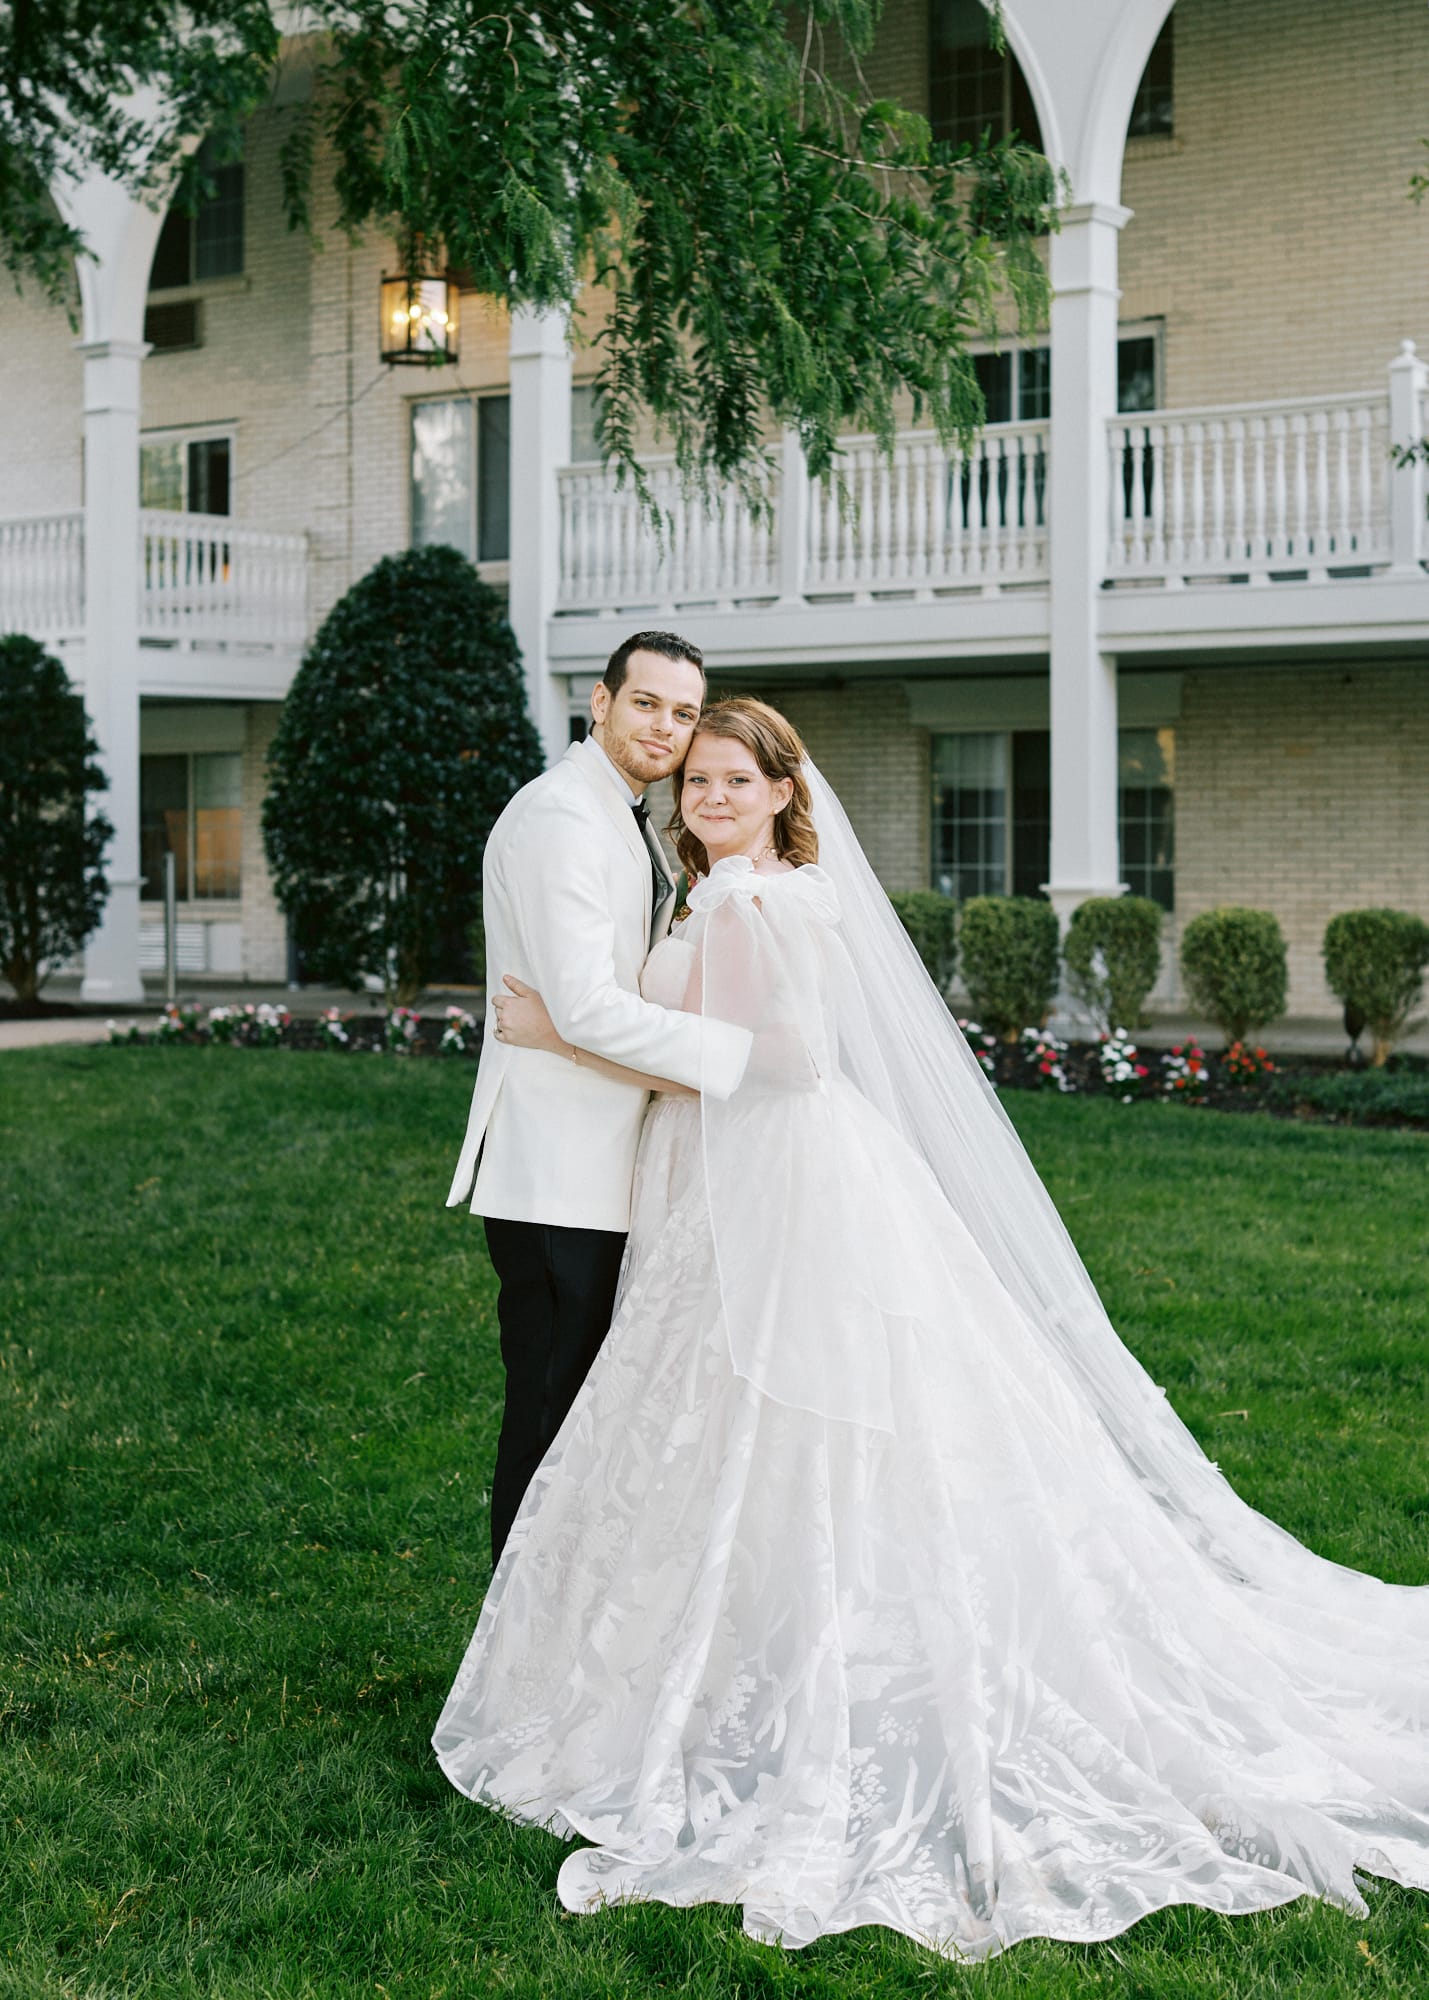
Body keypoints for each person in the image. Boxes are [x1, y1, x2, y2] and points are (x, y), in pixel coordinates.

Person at [434, 697, 1429, 1962]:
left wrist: (570, 1031)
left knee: (780, 1414)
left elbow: (782, 1058)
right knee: (720, 1418)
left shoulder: (759, 900)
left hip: (778, 1179)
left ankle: (778, 1671)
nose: (712, 796)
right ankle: (735, 1654)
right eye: (697, 780)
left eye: (737, 778)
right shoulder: (721, 888)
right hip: (724, 1176)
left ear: (787, 793)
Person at [446, 631, 751, 1565]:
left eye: (684, 712)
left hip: (609, 1162)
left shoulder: (621, 814)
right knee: (548, 1421)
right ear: (600, 702)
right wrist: (737, 1056)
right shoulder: (561, 820)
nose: (666, 727)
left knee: (587, 1422)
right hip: (557, 1174)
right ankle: (513, 1664)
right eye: (648, 703)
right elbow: (585, 1007)